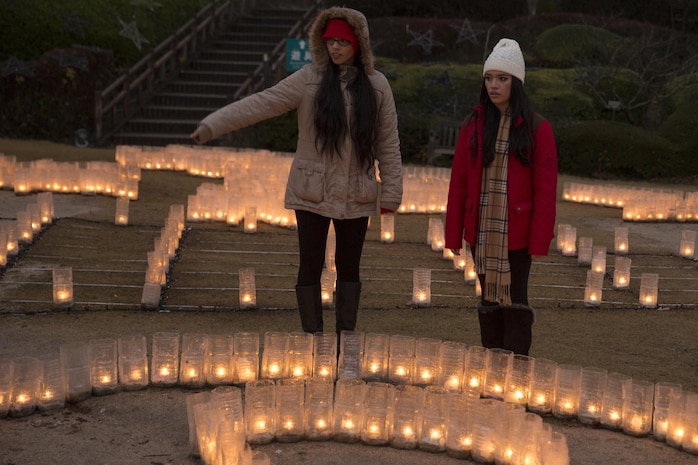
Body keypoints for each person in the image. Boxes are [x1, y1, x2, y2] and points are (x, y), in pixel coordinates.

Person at [190, 7, 403, 340]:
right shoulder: (309, 79)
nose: (334, 48)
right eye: (330, 40)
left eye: (342, 42)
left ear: (358, 44)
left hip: (357, 192)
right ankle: (312, 335)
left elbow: (388, 143)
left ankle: (345, 335)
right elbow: (263, 102)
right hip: (311, 191)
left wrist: (390, 192)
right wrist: (212, 125)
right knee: (310, 264)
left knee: (349, 267)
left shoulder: (377, 87)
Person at [445, 38, 558, 356]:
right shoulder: (474, 125)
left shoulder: (537, 128)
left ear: (516, 82)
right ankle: (492, 367)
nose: (494, 85)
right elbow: (459, 183)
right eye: (489, 78)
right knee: (488, 299)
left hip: (518, 235)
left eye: (502, 79)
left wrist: (539, 242)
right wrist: (454, 233)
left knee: (515, 301)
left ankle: (517, 370)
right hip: (481, 232)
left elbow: (545, 190)